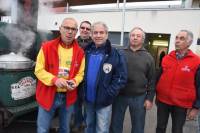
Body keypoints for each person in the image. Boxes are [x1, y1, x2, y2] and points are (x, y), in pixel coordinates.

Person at [34, 17, 85, 133]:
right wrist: (54, 80)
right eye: (67, 28)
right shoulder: (46, 47)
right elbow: (38, 70)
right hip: (48, 94)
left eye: (73, 29)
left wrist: (75, 82)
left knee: (65, 128)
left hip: (68, 96)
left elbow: (80, 74)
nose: (70, 31)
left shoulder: (80, 52)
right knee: (42, 129)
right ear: (60, 29)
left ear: (76, 32)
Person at [110, 27, 156, 133]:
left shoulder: (148, 57)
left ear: (142, 39)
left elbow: (152, 80)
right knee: (115, 125)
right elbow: (113, 74)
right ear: (129, 37)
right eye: (132, 35)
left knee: (138, 126)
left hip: (139, 97)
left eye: (138, 36)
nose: (135, 38)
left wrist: (149, 99)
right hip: (119, 96)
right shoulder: (120, 53)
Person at [84, 21, 127, 133]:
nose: (98, 35)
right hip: (88, 100)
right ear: (91, 35)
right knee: (89, 126)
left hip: (104, 101)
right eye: (95, 32)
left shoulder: (115, 53)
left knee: (102, 129)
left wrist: (109, 93)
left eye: (101, 32)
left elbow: (121, 78)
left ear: (107, 34)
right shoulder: (85, 51)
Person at [156, 30, 200, 133]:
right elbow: (158, 78)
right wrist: (157, 95)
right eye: (176, 38)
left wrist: (196, 107)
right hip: (163, 101)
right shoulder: (166, 58)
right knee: (160, 128)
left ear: (189, 42)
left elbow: (199, 86)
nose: (177, 41)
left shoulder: (197, 61)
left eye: (181, 38)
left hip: (181, 104)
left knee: (177, 130)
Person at [71, 20, 92, 133]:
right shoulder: (73, 43)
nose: (85, 30)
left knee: (88, 105)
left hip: (89, 81)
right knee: (76, 104)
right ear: (79, 29)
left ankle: (86, 123)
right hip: (75, 80)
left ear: (90, 31)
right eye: (83, 28)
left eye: (88, 29)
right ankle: (78, 123)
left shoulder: (94, 45)